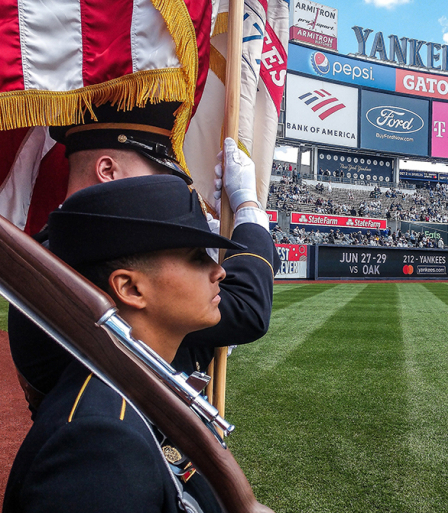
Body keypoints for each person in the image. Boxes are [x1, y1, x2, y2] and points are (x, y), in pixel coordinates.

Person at [8, 101, 280, 417]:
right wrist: (247, 207)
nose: (172, 186)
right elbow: (246, 310)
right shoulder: (82, 258)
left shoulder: (63, 248)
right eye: (160, 174)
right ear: (108, 170)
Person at [3, 176, 245, 512]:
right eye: (196, 257)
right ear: (131, 289)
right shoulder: (99, 442)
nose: (218, 271)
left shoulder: (146, 387)